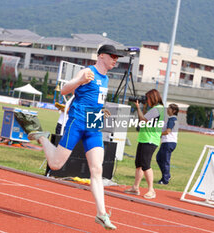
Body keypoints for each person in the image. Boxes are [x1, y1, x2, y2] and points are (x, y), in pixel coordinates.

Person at [28, 44, 123, 230]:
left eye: (117, 58)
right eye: (113, 56)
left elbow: (94, 98)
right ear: (101, 56)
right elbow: (64, 90)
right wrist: (79, 81)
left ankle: (101, 214)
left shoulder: (106, 78)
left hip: (94, 124)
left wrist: (100, 110)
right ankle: (43, 138)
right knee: (55, 165)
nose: (115, 60)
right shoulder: (87, 71)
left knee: (96, 170)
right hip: (77, 122)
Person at [124, 89, 164, 199]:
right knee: (139, 164)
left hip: (150, 140)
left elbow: (143, 119)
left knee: (146, 165)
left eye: (147, 98)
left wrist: (138, 107)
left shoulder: (158, 109)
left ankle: (151, 190)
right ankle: (135, 187)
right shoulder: (154, 109)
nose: (146, 100)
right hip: (144, 138)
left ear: (153, 98)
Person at [156, 104, 179, 185]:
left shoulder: (172, 119)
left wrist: (158, 135)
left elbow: (167, 131)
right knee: (159, 158)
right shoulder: (171, 119)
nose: (168, 109)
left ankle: (165, 180)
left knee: (165, 161)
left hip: (168, 142)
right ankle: (167, 175)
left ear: (174, 111)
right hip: (167, 142)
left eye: (169, 108)